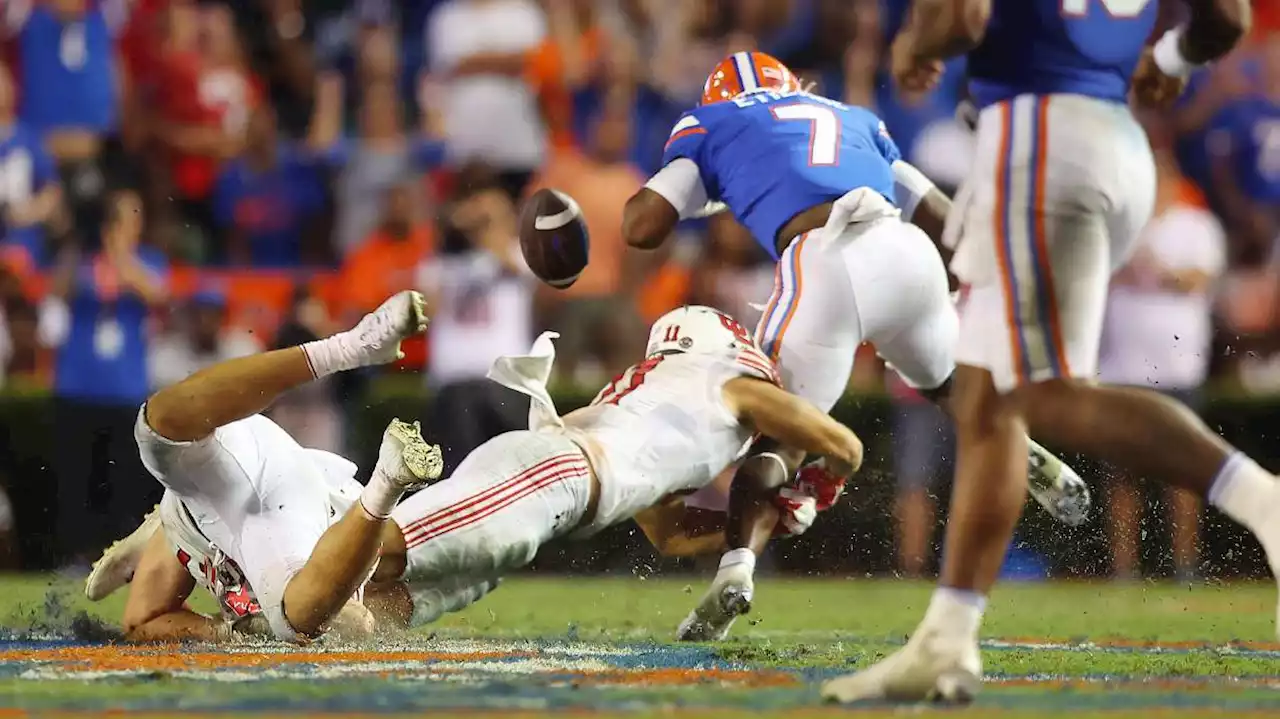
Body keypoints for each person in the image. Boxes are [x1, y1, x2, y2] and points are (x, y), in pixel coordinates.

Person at [821, 0, 1260, 704]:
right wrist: (1172, 60)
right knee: (987, 398)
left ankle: (1262, 500)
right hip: (1116, 138)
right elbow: (1229, 18)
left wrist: (913, 44)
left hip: (1037, 132)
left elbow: (962, 18)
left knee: (1040, 392)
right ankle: (946, 638)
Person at [620, 51, 1090, 642]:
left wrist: (705, 181)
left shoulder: (712, 122)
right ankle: (1025, 450)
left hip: (825, 257)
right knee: (946, 383)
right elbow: (943, 221)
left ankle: (736, 571)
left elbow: (641, 228)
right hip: (905, 249)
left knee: (781, 433)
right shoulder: (852, 116)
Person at [91, 305, 865, 639]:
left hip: (553, 498)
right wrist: (819, 481)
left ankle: (204, 527)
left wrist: (740, 544)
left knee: (370, 620)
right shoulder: (725, 384)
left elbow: (665, 532)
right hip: (547, 480)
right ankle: (215, 520)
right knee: (369, 564)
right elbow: (837, 439)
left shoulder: (678, 407)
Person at [85, 291, 442, 642]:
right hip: (259, 478)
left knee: (296, 620)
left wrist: (252, 622)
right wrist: (228, 629)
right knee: (156, 434)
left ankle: (385, 470)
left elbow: (352, 620)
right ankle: (386, 477)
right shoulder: (190, 516)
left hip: (286, 501)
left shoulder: (182, 526)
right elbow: (142, 621)